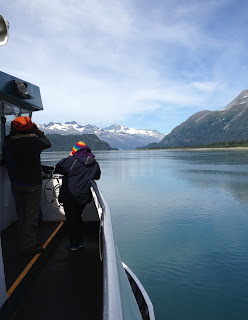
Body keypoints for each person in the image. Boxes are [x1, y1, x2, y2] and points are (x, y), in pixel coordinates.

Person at [10, 116, 51, 256]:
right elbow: (47, 143)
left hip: (17, 183)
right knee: (31, 216)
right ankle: (29, 246)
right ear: (30, 128)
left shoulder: (10, 142)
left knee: (21, 215)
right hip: (33, 184)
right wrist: (38, 132)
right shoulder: (34, 142)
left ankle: (22, 241)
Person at [55, 141, 101, 251]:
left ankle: (74, 244)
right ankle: (79, 242)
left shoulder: (71, 161)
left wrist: (69, 156)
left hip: (70, 196)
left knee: (72, 219)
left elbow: (58, 168)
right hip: (84, 196)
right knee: (77, 218)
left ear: (75, 151)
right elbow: (97, 176)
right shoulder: (94, 163)